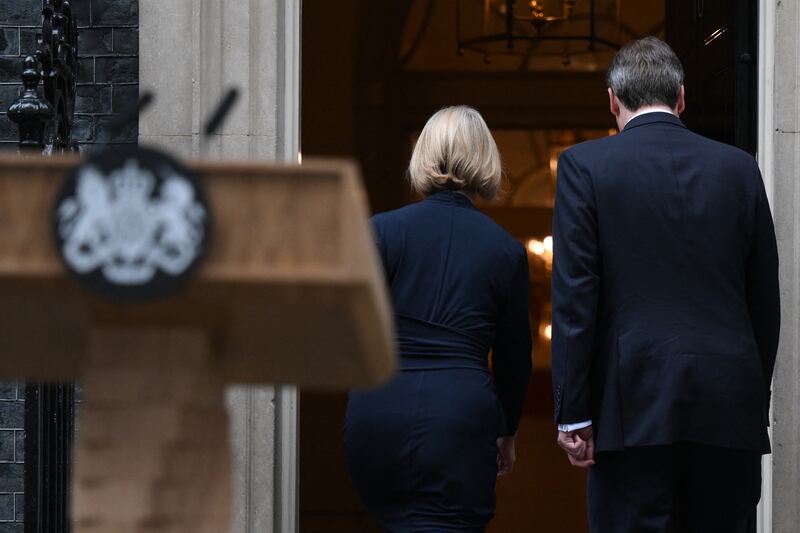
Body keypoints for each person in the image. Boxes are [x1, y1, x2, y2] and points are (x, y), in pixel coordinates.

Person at [551, 37, 780, 532]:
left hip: (630, 410)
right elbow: (765, 297)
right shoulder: (740, 168)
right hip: (728, 405)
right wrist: (750, 399)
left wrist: (573, 414)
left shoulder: (584, 167)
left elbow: (576, 297)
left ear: (612, 100)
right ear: (681, 97)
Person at [343, 106, 532, 532]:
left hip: (379, 411)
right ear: (486, 160)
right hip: (459, 414)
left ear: (422, 157)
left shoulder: (380, 232)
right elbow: (513, 356)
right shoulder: (505, 251)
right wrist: (507, 429)